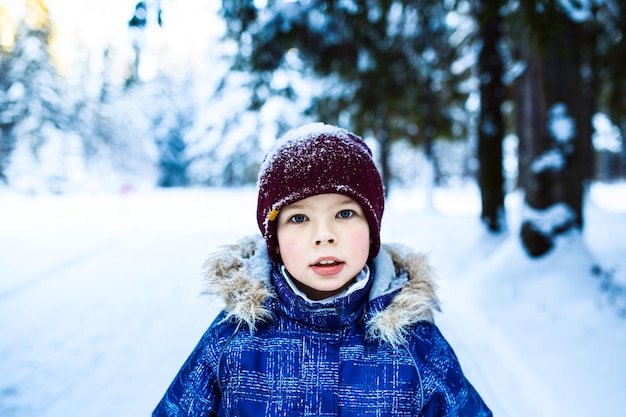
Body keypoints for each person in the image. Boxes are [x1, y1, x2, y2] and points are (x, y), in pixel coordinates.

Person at [153, 123, 492, 416]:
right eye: (299, 218)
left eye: (344, 214)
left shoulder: (414, 344)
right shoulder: (235, 339)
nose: (324, 235)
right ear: (275, 242)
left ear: (372, 230)